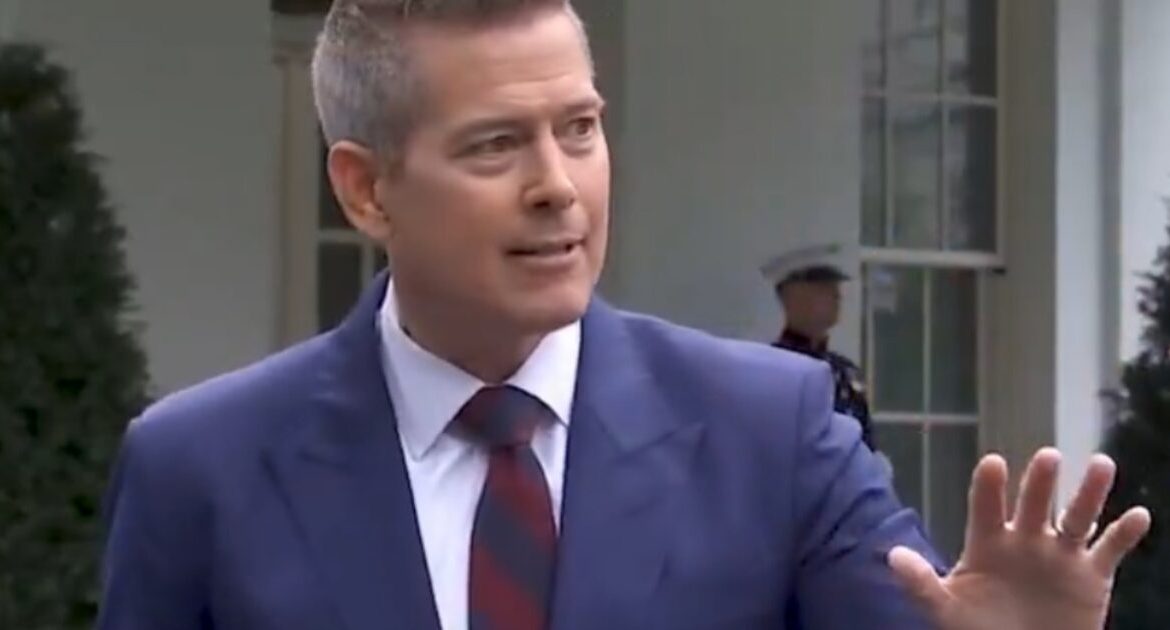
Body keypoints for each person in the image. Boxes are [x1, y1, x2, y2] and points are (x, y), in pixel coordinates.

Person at [97, 1, 1151, 629]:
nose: (559, 186)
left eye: (580, 129)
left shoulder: (775, 433)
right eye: (495, 145)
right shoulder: (200, 468)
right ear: (367, 190)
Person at [761, 243, 875, 450]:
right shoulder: (769, 369)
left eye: (835, 289)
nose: (837, 296)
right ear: (792, 297)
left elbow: (866, 445)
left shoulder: (845, 372)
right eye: (823, 289)